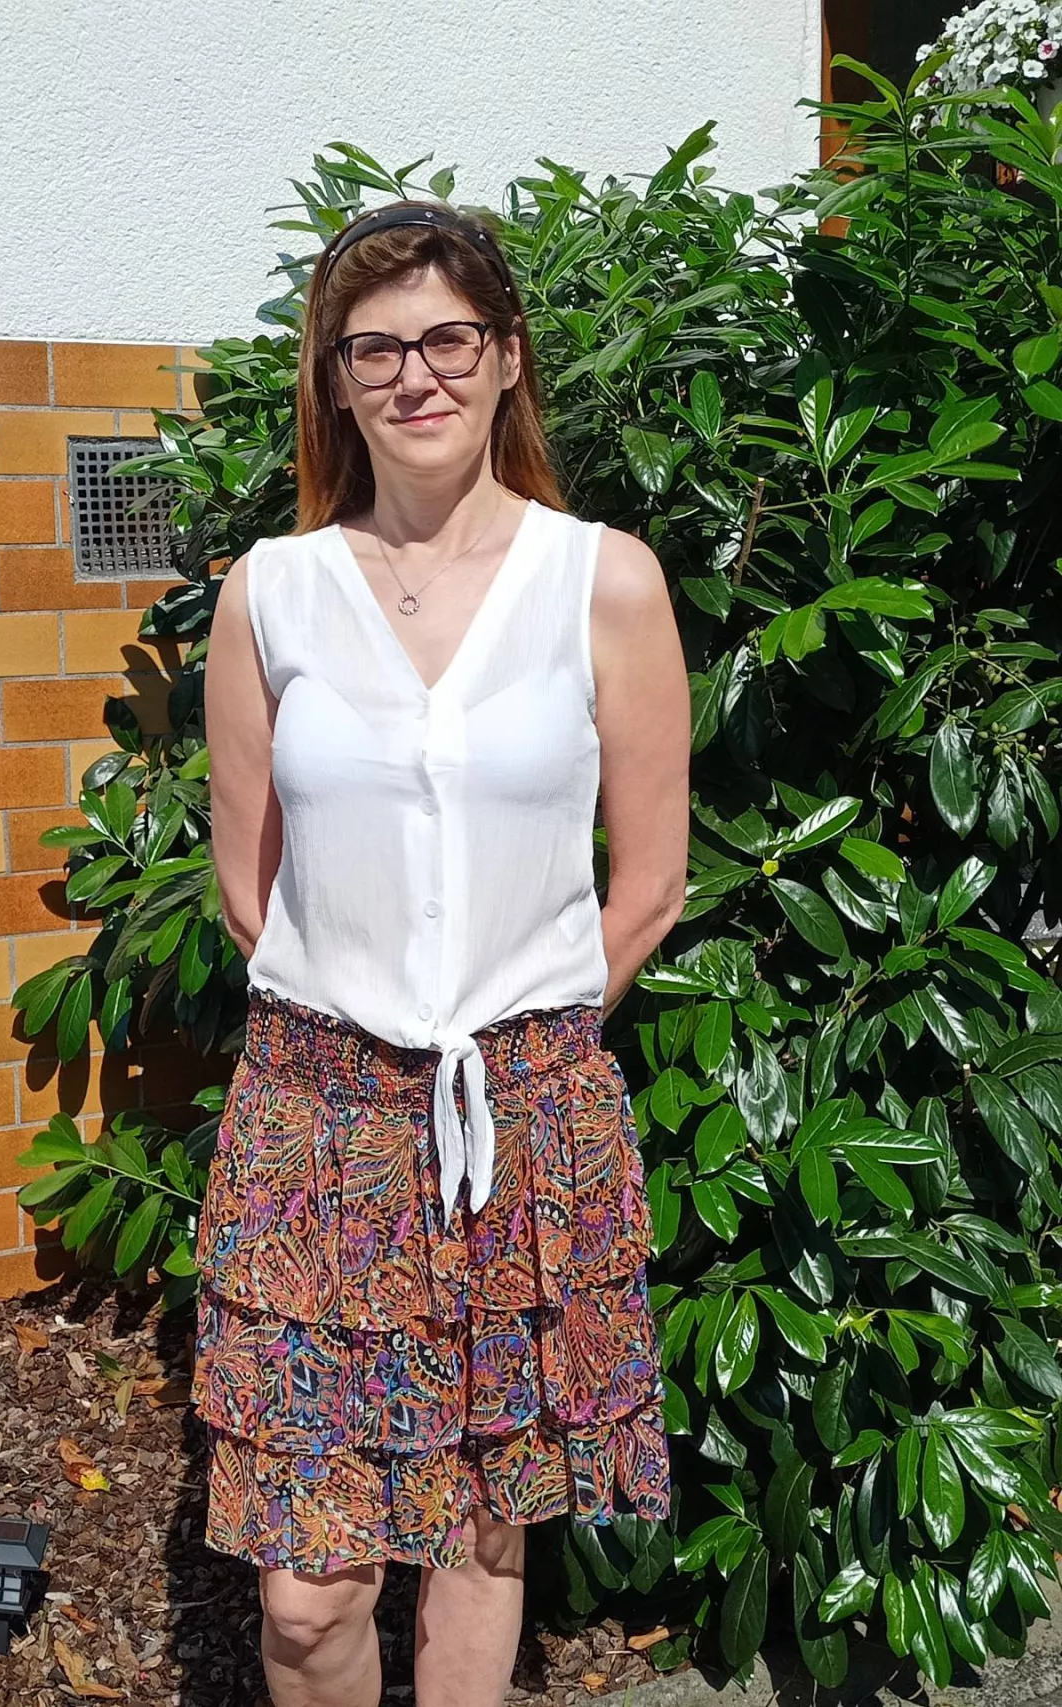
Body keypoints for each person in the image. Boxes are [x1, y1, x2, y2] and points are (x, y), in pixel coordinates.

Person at [193, 198, 690, 1707]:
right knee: (308, 1598)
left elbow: (649, 884)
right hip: (314, 1134)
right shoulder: (270, 592)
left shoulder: (603, 581)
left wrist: (523, 1051)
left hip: (521, 1126)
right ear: (336, 381)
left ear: (507, 358)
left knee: (481, 1529)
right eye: (377, 349)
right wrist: (373, 1056)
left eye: (449, 340)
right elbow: (248, 887)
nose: (417, 375)